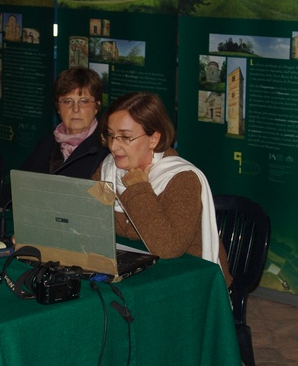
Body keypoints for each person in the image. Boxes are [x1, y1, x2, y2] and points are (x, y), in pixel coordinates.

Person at [94, 92, 232, 286]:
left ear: (153, 139)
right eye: (110, 135)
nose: (114, 147)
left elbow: (168, 248)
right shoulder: (109, 168)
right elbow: (90, 219)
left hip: (187, 278)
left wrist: (139, 189)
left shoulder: (182, 179)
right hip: (138, 269)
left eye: (125, 137)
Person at [20, 66, 108, 178]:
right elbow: (19, 185)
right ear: (58, 107)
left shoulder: (107, 148)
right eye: (67, 101)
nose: (75, 109)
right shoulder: (46, 144)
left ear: (97, 106)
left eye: (84, 101)